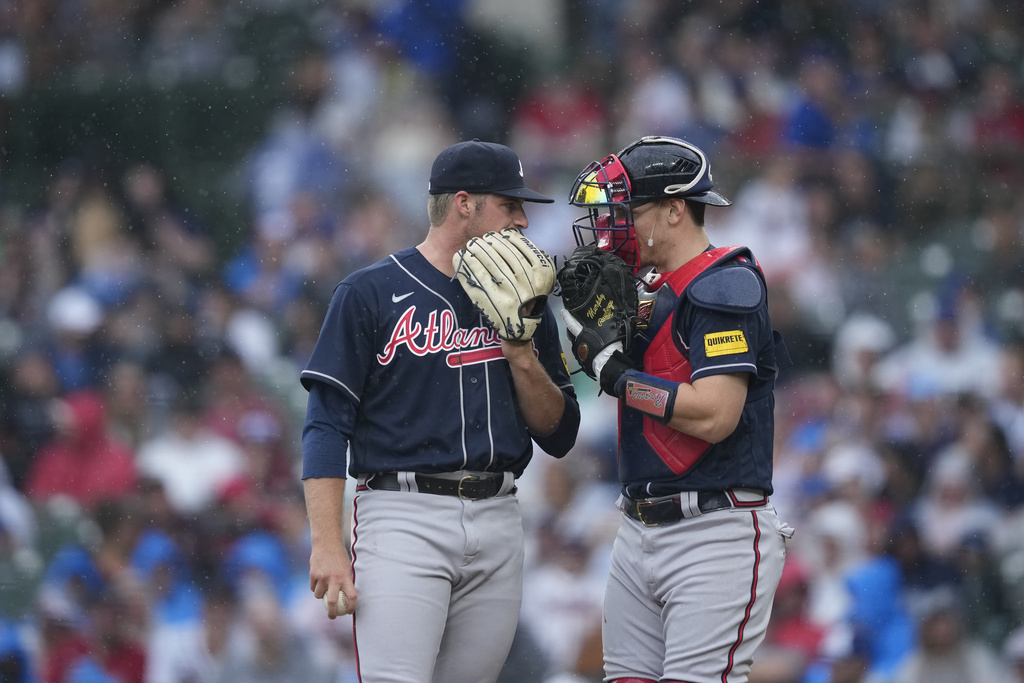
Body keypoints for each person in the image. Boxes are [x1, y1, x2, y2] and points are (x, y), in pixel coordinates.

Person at [300, 139, 581, 683]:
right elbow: (325, 424)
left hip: (499, 513)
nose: (524, 220)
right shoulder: (369, 292)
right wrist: (328, 544)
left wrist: (522, 355)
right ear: (464, 203)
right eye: (510, 204)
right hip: (404, 516)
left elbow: (560, 433)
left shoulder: (525, 294)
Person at [560, 135, 794, 683]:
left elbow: (716, 416)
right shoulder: (643, 286)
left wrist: (617, 377)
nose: (609, 227)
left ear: (673, 209)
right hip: (637, 525)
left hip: (715, 527)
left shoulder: (725, 282)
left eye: (625, 212)